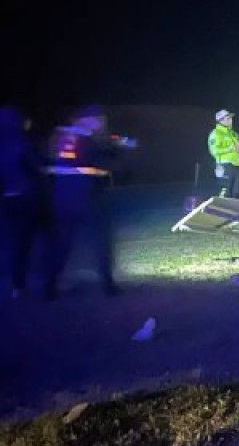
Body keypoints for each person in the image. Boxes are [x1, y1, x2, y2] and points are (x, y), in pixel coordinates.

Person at [43, 104, 137, 299]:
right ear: (84, 120)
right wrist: (123, 151)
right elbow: (106, 164)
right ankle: (109, 286)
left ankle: (49, 287)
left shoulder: (60, 137)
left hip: (62, 197)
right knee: (102, 241)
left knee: (61, 243)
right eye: (98, 119)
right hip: (88, 197)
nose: (101, 124)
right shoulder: (88, 141)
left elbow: (51, 162)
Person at [0, 105, 44, 300]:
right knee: (29, 241)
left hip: (8, 198)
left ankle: (18, 285)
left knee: (14, 242)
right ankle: (32, 282)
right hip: (26, 197)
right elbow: (35, 166)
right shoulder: (21, 143)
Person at [207, 109, 239, 198]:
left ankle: (234, 211)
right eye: (228, 118)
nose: (231, 120)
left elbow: (237, 148)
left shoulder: (233, 133)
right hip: (224, 166)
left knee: (235, 193)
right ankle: (222, 211)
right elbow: (214, 151)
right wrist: (230, 148)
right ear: (221, 121)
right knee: (224, 192)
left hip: (236, 165)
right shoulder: (216, 133)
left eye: (231, 118)